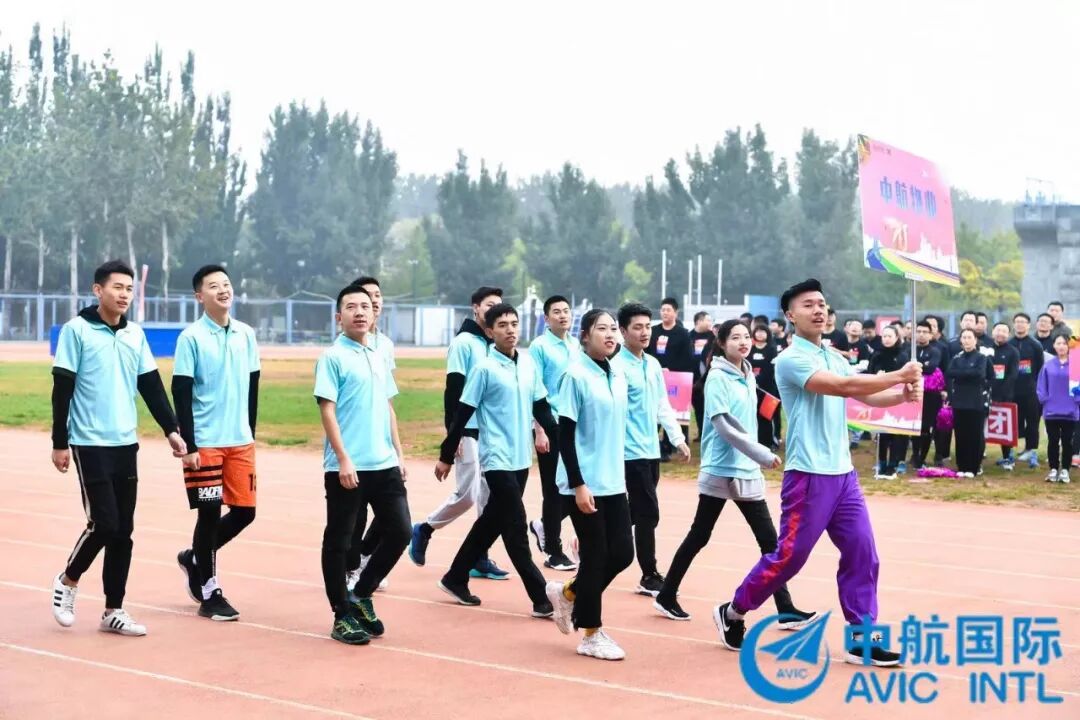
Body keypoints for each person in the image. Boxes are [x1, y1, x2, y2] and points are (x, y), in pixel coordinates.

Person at [713, 279, 920, 667]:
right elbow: (841, 386)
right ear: (790, 316)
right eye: (808, 305)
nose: (819, 310)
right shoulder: (791, 359)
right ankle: (734, 610)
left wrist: (901, 395)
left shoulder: (834, 356)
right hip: (808, 477)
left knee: (863, 553)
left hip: (844, 477)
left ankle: (863, 640)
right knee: (789, 559)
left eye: (822, 303)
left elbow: (863, 394)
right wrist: (897, 375)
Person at [50, 260, 187, 637]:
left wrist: (171, 430)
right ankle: (68, 579)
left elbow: (151, 386)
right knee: (104, 523)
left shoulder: (134, 335)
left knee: (123, 531)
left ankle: (113, 610)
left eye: (129, 288)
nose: (125, 294)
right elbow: (62, 390)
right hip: (89, 442)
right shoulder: (76, 331)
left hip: (125, 443)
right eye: (117, 287)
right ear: (98, 290)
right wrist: (59, 442)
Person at [653, 320, 816, 629]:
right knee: (700, 536)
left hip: (746, 468)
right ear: (722, 343)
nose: (743, 342)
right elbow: (724, 426)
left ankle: (785, 608)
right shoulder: (717, 377)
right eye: (736, 337)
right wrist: (761, 454)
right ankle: (667, 594)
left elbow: (748, 417)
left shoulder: (746, 374)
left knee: (769, 542)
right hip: (722, 469)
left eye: (746, 337)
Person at [434, 304, 559, 615]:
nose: (510, 330)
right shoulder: (484, 369)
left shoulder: (527, 365)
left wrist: (563, 441)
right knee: (515, 528)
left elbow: (542, 408)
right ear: (490, 332)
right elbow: (462, 413)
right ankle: (541, 597)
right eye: (502, 325)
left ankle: (455, 577)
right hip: (496, 458)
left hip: (520, 459)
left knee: (491, 522)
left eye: (514, 323)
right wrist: (446, 455)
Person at [315, 285, 410, 645]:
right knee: (339, 541)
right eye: (351, 307)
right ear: (338, 317)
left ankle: (362, 593)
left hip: (384, 464)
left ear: (373, 314)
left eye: (365, 307)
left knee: (401, 531)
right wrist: (343, 458)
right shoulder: (332, 357)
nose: (359, 312)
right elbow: (327, 410)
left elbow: (388, 407)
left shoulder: (379, 354)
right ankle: (341, 614)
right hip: (348, 467)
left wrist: (399, 454)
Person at [545, 309, 635, 661]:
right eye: (602, 329)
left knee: (622, 554)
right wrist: (579, 484)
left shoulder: (617, 373)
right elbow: (564, 436)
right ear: (585, 336)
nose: (610, 334)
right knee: (596, 555)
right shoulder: (575, 376)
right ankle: (591, 633)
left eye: (613, 329)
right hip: (582, 482)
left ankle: (568, 593)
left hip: (613, 480)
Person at [173, 265, 260, 622]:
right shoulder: (191, 338)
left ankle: (194, 557)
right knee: (208, 514)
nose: (223, 290)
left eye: (226, 283)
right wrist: (190, 445)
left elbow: (253, 385)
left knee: (245, 512)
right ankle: (210, 593)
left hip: (240, 441)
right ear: (200, 296)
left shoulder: (246, 334)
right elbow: (181, 391)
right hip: (206, 442)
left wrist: (250, 430)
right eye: (213, 286)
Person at [409, 287, 510, 580]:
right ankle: (425, 528)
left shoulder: (493, 344)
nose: (494, 309)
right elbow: (453, 390)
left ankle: (480, 556)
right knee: (468, 494)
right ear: (475, 308)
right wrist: (451, 436)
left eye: (499, 305)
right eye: (489, 305)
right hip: (467, 429)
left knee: (489, 498)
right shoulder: (463, 343)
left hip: (490, 431)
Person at [613, 303, 691, 597]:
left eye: (648, 326)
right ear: (623, 331)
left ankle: (593, 537)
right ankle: (649, 574)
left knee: (635, 510)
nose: (645, 332)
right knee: (648, 512)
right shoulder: (616, 367)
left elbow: (662, 405)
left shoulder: (653, 364)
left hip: (650, 450)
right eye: (638, 327)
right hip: (628, 452)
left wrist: (677, 438)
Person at [344, 276, 399, 593]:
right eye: (366, 297)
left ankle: (364, 557)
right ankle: (351, 566)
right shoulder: (345, 347)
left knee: (394, 515)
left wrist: (398, 449)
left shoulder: (385, 345)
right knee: (357, 515)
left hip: (382, 446)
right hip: (355, 446)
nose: (374, 301)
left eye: (377, 296)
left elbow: (387, 399)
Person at [526, 295, 579, 571]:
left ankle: (544, 525)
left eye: (566, 311)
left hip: (573, 425)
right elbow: (534, 389)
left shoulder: (575, 345)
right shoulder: (539, 347)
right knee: (553, 488)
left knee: (575, 484)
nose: (563, 315)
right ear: (546, 318)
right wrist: (539, 430)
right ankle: (553, 551)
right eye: (556, 312)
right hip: (549, 424)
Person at [647, 297, 694, 460]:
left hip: (675, 380)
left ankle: (668, 447)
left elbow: (687, 358)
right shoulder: (653, 331)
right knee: (653, 411)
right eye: (663, 310)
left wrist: (671, 369)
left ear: (675, 312)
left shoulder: (682, 334)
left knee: (670, 412)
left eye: (668, 310)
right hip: (654, 376)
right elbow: (647, 352)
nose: (665, 313)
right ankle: (654, 445)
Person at [947, 329, 994, 478]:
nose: (966, 340)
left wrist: (963, 373)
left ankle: (973, 467)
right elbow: (950, 372)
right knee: (960, 435)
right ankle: (962, 466)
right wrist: (968, 372)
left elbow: (981, 374)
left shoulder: (982, 358)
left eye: (969, 337)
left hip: (976, 401)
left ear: (975, 340)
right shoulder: (957, 358)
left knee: (975, 434)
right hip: (959, 401)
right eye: (964, 337)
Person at [1036, 334, 1077, 484]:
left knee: (1067, 441)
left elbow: (1078, 388)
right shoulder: (1048, 365)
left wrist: (1076, 402)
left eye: (1064, 343)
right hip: (1051, 410)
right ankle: (1053, 468)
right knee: (1053, 440)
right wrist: (1045, 400)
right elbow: (1041, 386)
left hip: (1070, 410)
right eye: (1058, 343)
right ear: (1054, 346)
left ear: (1069, 346)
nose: (1061, 346)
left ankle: (1065, 469)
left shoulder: (1076, 364)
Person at [1009, 313, 1044, 470]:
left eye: (1023, 322)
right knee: (1013, 422)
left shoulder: (1035, 345)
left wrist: (1037, 386)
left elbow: (1040, 368)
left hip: (1030, 390)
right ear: (1013, 324)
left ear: (1029, 325)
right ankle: (1008, 451)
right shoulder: (1009, 344)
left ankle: (1031, 450)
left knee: (1032, 421)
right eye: (1017, 322)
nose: (1020, 324)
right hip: (1012, 391)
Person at [909, 320, 944, 469]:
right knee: (913, 426)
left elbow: (931, 368)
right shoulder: (910, 350)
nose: (921, 335)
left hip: (930, 395)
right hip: (913, 391)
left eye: (925, 332)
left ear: (931, 334)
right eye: (919, 331)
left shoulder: (935, 351)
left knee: (926, 427)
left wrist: (916, 367)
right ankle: (915, 454)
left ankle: (922, 457)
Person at [989, 323, 1020, 470]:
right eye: (998, 330)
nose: (1000, 333)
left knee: (1005, 428)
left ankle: (1007, 457)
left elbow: (1013, 375)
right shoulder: (985, 348)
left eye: (1004, 331)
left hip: (1004, 395)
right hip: (985, 393)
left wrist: (1001, 394)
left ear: (1008, 334)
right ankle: (978, 455)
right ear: (992, 332)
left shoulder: (1013, 351)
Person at [748, 325, 780, 449]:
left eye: (763, 332)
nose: (760, 334)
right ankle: (756, 441)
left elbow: (769, 369)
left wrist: (758, 380)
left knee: (767, 415)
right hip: (752, 386)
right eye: (758, 331)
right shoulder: (750, 348)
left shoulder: (771, 349)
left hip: (768, 388)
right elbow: (747, 365)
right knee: (753, 415)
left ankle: (770, 442)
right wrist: (752, 380)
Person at [689, 311, 716, 440]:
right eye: (708, 320)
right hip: (691, 378)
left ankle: (710, 432)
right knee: (698, 407)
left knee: (708, 406)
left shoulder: (713, 337)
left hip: (707, 377)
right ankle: (701, 432)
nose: (710, 323)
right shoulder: (688, 336)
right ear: (699, 321)